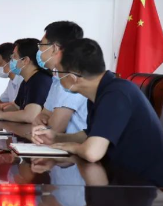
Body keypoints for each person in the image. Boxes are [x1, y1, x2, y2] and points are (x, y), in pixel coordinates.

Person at [33, 38, 163, 183]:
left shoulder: (116, 94)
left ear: (73, 77)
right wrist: (56, 137)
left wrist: (72, 147)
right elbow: (90, 135)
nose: (55, 76)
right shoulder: (99, 92)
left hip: (145, 186)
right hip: (117, 177)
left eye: (58, 71)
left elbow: (92, 152)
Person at [32, 21, 88, 134]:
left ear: (54, 49)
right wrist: (41, 118)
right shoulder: (57, 78)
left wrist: (45, 122)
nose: (39, 51)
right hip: (59, 143)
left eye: (41, 45)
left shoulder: (72, 78)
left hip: (75, 144)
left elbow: (55, 129)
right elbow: (44, 114)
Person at [0, 38, 52, 123]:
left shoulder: (39, 80)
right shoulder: (26, 81)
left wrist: (2, 115)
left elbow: (30, 116)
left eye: (14, 56)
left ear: (25, 60)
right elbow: (16, 106)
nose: (11, 61)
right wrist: (0, 110)